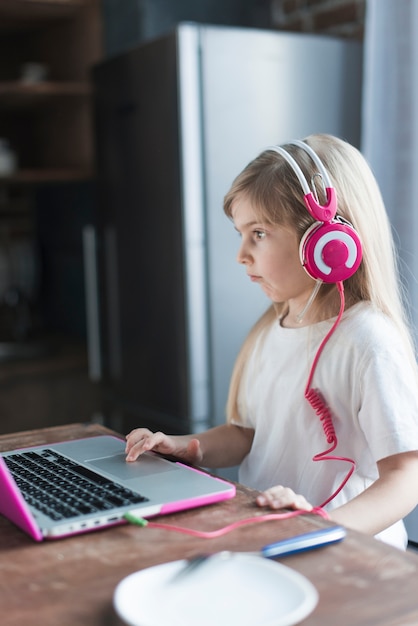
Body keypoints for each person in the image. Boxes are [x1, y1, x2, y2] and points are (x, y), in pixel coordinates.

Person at [126, 134, 418, 549]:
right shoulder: (272, 327)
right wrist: (187, 449)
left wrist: (319, 528)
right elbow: (246, 435)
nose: (241, 254)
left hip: (350, 555)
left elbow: (406, 479)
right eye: (240, 234)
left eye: (258, 233)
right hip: (275, 540)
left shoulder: (367, 340)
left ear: (328, 244)